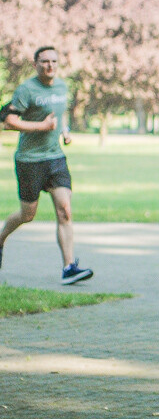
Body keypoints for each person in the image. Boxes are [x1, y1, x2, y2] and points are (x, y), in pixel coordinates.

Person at [0, 46, 92, 284]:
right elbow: (8, 122)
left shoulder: (62, 87)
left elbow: (59, 115)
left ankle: (69, 267)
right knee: (27, 214)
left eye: (53, 61)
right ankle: (1, 239)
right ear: (35, 64)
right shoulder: (26, 90)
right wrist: (40, 126)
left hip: (55, 158)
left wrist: (65, 130)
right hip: (29, 161)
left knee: (65, 211)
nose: (49, 65)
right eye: (44, 61)